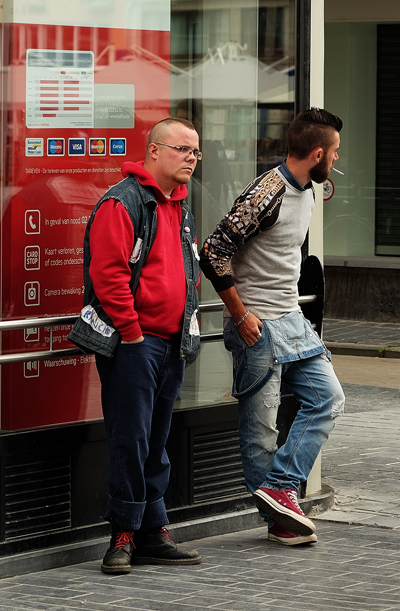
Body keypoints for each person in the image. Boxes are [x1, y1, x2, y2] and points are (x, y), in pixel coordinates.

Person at [199, 108, 345, 547]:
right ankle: (279, 520)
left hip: (292, 321)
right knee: (260, 432)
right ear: (317, 152)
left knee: (329, 399)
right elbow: (212, 252)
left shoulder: (310, 191)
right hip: (257, 326)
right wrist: (240, 315)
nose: (337, 159)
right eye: (335, 152)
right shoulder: (268, 192)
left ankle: (280, 486)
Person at [69, 118, 202, 574]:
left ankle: (152, 529)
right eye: (182, 149)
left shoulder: (181, 205)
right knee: (131, 438)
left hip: (170, 342)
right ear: (153, 152)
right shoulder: (122, 202)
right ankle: (122, 534)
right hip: (135, 344)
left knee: (157, 439)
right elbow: (108, 276)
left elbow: (189, 267)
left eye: (195, 152)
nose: (191, 158)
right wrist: (132, 333)